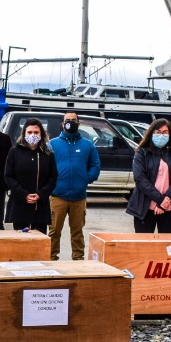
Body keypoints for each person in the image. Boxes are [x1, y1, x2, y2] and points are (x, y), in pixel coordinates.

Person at [48, 111, 100, 259]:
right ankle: (51, 258)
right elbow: (46, 167)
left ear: (78, 122)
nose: (70, 122)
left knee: (77, 232)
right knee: (54, 231)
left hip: (79, 197)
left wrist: (85, 179)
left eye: (73, 120)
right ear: (63, 124)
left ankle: (78, 259)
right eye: (67, 120)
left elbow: (95, 165)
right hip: (58, 196)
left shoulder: (88, 145)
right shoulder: (53, 144)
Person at [126, 118, 171, 233]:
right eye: (157, 132)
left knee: (168, 247)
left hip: (170, 207)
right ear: (151, 133)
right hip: (145, 207)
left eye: (164, 132)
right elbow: (140, 179)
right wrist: (160, 199)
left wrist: (166, 201)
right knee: (144, 246)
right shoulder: (141, 153)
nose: (161, 135)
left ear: (170, 134)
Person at [4, 118, 57, 233]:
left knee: (39, 244)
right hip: (19, 205)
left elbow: (53, 177)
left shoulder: (48, 154)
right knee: (21, 244)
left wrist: (40, 194)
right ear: (24, 133)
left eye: (36, 132)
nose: (33, 135)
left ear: (41, 134)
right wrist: (24, 194)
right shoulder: (14, 152)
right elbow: (8, 176)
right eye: (29, 132)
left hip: (40, 206)